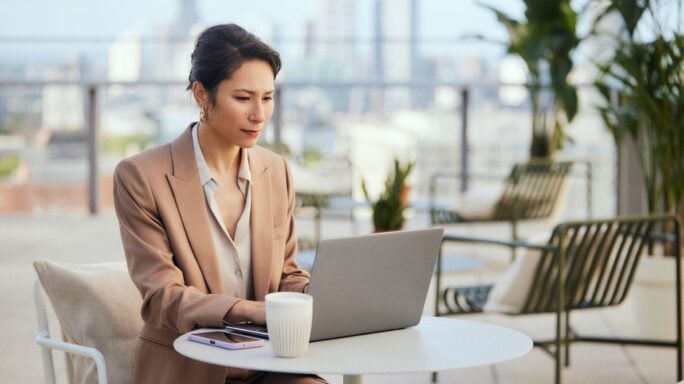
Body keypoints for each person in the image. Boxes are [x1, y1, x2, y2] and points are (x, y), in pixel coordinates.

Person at [113, 24, 327, 384]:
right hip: (189, 368)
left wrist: (317, 295)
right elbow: (162, 298)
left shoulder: (276, 172)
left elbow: (286, 275)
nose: (259, 114)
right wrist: (247, 310)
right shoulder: (141, 177)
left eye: (268, 97)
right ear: (201, 95)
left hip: (269, 364)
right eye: (243, 98)